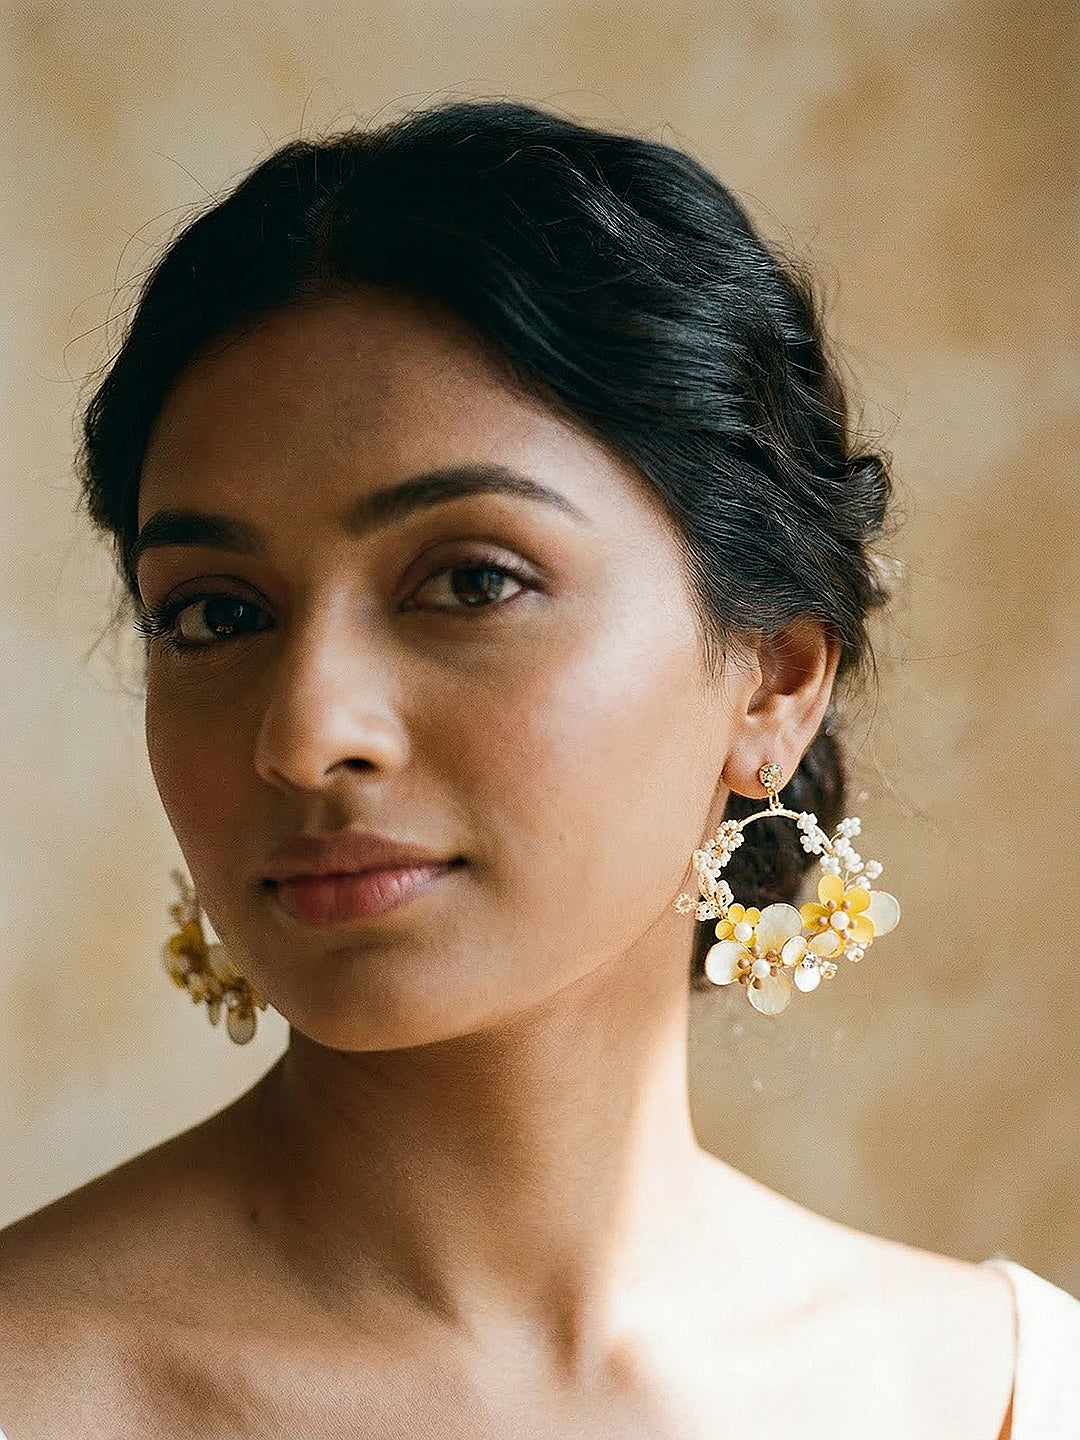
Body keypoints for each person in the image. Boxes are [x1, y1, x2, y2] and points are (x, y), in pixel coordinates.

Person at [0, 99, 1075, 1439]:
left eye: (470, 581)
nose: (306, 732)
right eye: (217, 613)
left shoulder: (1008, 1391)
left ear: (775, 683)